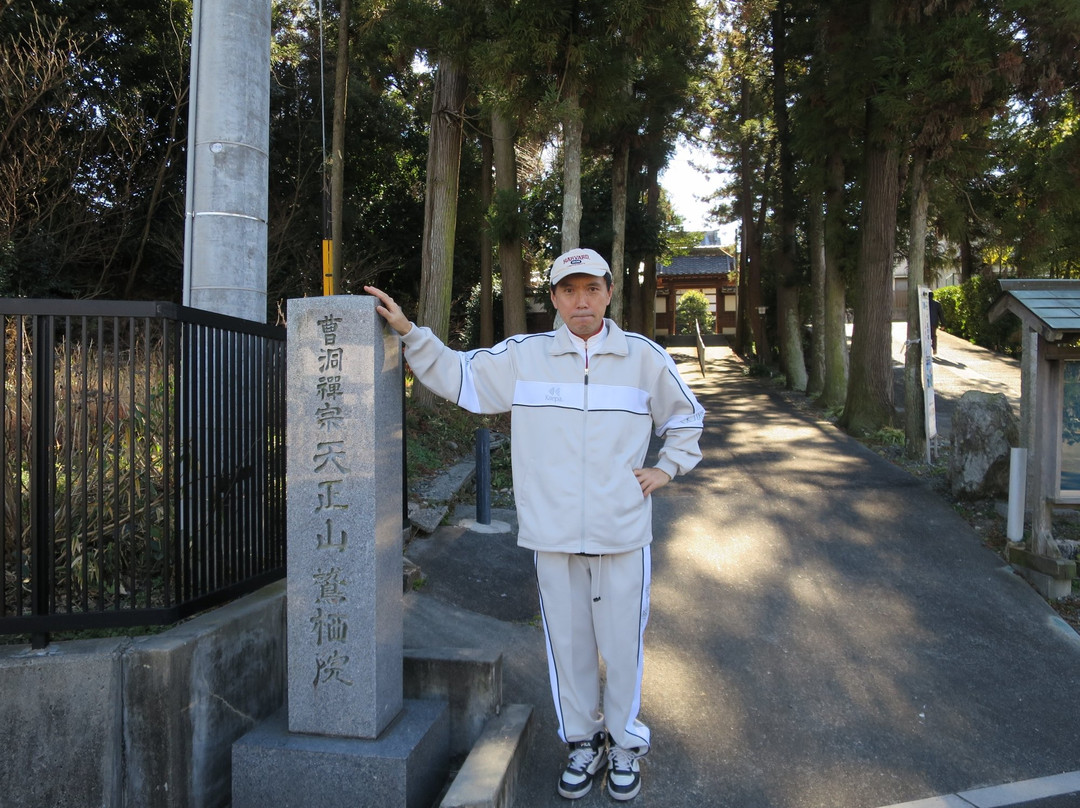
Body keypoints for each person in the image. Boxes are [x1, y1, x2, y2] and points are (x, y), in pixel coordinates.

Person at [365, 247, 704, 802]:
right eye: (568, 290)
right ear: (553, 298)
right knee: (567, 647)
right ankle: (583, 741)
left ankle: (624, 743)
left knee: (622, 647)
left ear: (609, 292)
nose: (581, 300)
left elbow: (686, 414)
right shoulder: (526, 356)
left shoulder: (643, 356)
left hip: (622, 533)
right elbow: (461, 376)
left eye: (591, 288)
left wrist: (666, 468)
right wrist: (409, 331)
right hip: (553, 535)